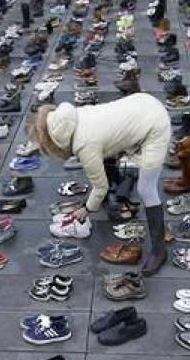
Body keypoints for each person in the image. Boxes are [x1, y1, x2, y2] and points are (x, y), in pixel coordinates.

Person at [33, 93, 172, 275]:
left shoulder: (85, 145)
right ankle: (111, 197)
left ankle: (159, 251)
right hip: (144, 103)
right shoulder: (76, 115)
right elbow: (107, 142)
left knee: (146, 189)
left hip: (155, 125)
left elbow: (100, 186)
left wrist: (87, 209)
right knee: (108, 150)